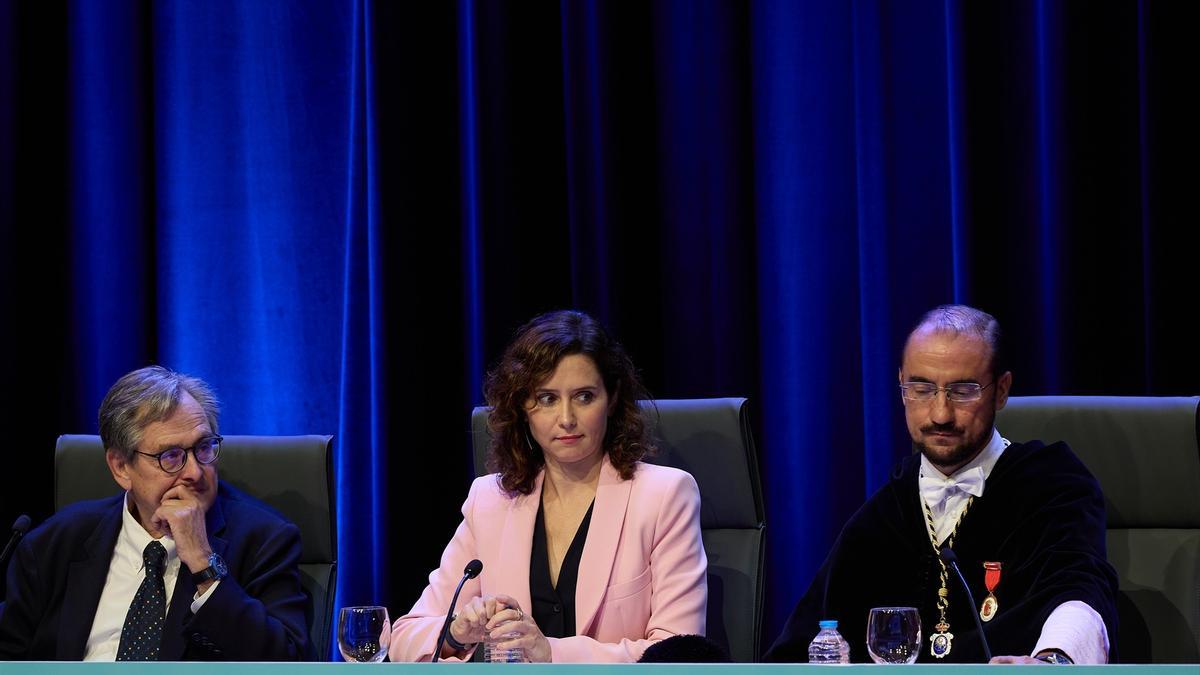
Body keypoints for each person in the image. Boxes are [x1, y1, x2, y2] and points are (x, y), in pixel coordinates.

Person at [765, 305, 1118, 664]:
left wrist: (1053, 661)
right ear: (901, 386)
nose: (940, 414)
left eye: (963, 391)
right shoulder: (883, 515)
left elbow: (1080, 592)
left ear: (1001, 390)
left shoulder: (1051, 486)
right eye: (921, 389)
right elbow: (806, 641)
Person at [389, 310, 707, 662]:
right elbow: (404, 637)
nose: (566, 418)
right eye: (547, 398)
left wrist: (551, 653)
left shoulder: (663, 495)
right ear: (522, 407)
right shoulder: (490, 500)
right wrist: (455, 633)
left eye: (584, 396)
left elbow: (679, 654)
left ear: (612, 398)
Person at [0, 366, 312, 660]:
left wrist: (203, 563)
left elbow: (288, 662)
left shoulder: (264, 540)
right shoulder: (54, 544)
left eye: (204, 447)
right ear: (121, 467)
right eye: (171, 456)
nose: (195, 472)